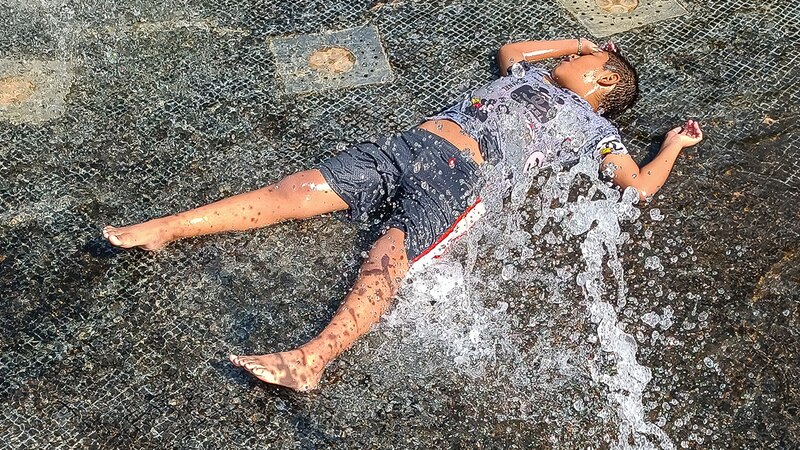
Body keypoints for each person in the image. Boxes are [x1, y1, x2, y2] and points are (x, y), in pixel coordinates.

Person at [102, 38, 703, 391]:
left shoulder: (594, 127)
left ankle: (312, 359)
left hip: (462, 180)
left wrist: (672, 144)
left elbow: (639, 185)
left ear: (600, 79)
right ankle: (167, 228)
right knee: (298, 189)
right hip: (411, 146)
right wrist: (576, 44)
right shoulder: (527, 73)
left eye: (585, 57)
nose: (566, 55)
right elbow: (510, 49)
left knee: (387, 254)